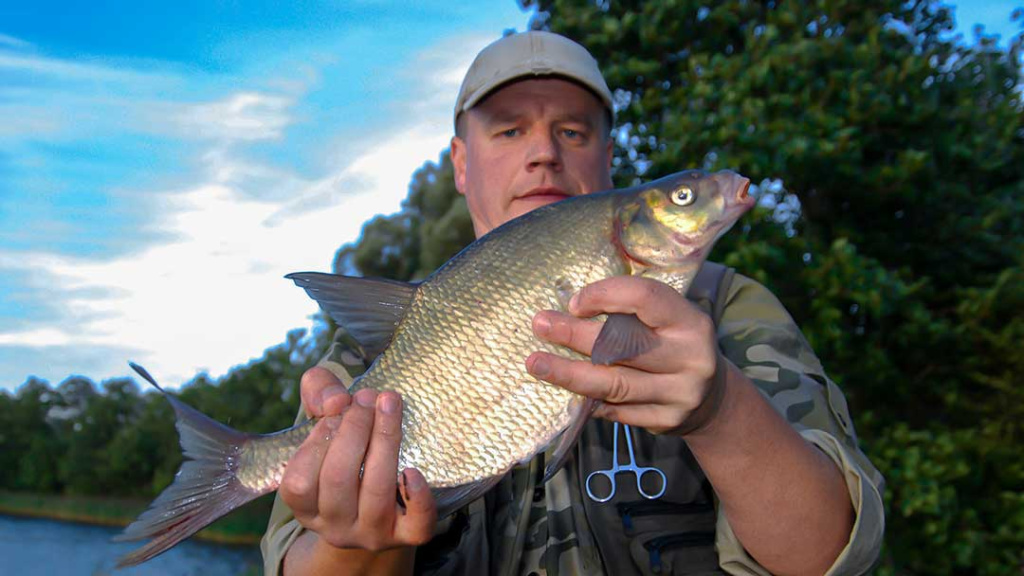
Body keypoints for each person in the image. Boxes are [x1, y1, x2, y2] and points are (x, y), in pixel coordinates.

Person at [261, 31, 884, 575]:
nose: (544, 153)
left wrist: (720, 411)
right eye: (510, 129)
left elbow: (828, 556)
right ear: (461, 163)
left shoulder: (728, 306)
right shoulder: (378, 345)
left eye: (572, 131)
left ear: (607, 159)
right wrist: (357, 540)